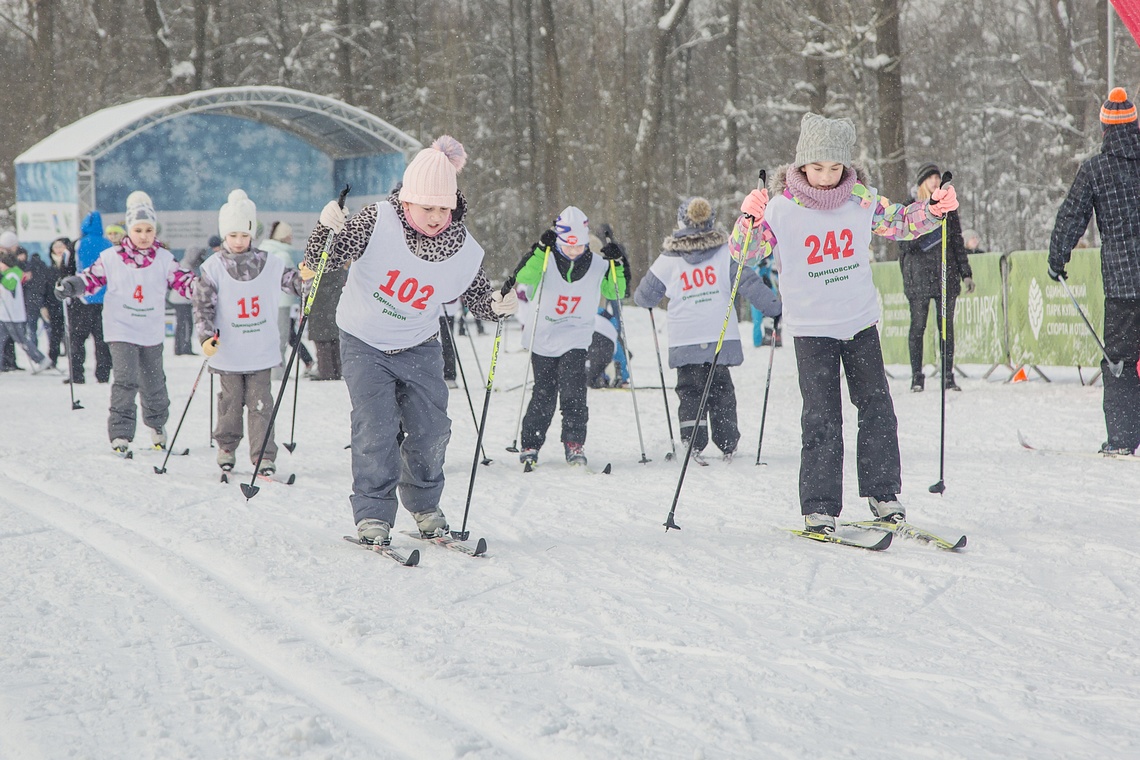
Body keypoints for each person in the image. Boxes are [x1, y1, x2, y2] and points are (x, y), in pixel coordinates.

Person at [730, 112, 957, 535]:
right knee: (822, 416)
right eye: (817, 168)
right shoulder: (781, 208)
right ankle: (819, 506)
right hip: (811, 328)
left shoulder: (862, 199)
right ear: (801, 165)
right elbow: (745, 253)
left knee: (876, 408)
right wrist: (747, 220)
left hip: (858, 321)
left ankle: (883, 493)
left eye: (835, 168)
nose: (827, 176)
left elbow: (902, 223)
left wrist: (934, 210)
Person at [302, 135, 517, 545]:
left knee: (431, 428)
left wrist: (498, 306)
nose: (436, 217)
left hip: (419, 342)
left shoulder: (462, 247)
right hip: (364, 339)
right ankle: (373, 514)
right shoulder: (375, 220)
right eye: (427, 207)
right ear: (406, 201)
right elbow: (320, 262)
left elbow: (478, 299)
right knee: (376, 427)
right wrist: (325, 229)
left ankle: (424, 505)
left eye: (444, 208)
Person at [635, 196, 781, 463]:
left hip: (685, 338)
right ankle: (727, 442)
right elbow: (749, 283)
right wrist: (774, 307)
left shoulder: (669, 259)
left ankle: (692, 442)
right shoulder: (727, 253)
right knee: (721, 388)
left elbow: (644, 297)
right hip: (719, 336)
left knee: (690, 390)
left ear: (681, 222)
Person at [56, 191, 196, 455]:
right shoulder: (111, 257)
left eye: (149, 230)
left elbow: (184, 281)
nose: (144, 235)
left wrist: (205, 289)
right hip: (120, 328)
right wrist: (71, 285)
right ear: (128, 231)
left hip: (151, 330)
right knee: (125, 379)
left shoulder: (164, 259)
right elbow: (89, 279)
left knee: (154, 381)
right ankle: (120, 433)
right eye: (138, 230)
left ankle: (157, 427)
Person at [1049, 87, 1140, 457]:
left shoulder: (1095, 169)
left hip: (1122, 284)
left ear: (1104, 128)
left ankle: (1121, 438)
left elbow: (1072, 215)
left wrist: (1058, 258)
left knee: (1119, 359)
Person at [195, 190, 309, 475]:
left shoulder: (269, 262)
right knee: (230, 404)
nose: (238, 241)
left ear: (251, 234)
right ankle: (226, 447)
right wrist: (206, 337)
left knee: (260, 404)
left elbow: (295, 285)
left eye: (243, 235)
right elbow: (203, 305)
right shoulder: (213, 267)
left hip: (260, 349)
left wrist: (307, 277)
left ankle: (263, 456)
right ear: (224, 235)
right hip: (229, 352)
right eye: (232, 235)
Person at [514, 206, 626, 468]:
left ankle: (574, 442)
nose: (574, 251)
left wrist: (617, 264)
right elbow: (523, 277)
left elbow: (615, 291)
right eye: (569, 246)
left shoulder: (598, 264)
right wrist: (540, 249)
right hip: (543, 336)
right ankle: (531, 442)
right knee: (544, 392)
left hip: (576, 336)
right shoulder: (545, 259)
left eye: (580, 246)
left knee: (574, 391)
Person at [897, 163, 975, 392]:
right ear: (921, 182)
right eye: (930, 178)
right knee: (918, 326)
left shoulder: (948, 208)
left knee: (946, 328)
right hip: (918, 278)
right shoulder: (908, 207)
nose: (935, 182)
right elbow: (902, 242)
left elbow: (957, 241)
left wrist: (966, 273)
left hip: (946, 276)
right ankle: (916, 377)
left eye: (937, 178)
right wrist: (924, 231)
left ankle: (948, 376)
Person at [260, 221, 315, 378]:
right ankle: (278, 373)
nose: (291, 239)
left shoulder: (264, 252)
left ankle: (272, 370)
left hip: (267, 301)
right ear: (283, 237)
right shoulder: (283, 255)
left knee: (277, 337)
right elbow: (294, 282)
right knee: (282, 338)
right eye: (289, 236)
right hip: (282, 302)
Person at [67, 211, 114, 384]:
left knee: (77, 339)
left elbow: (69, 269)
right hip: (104, 300)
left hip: (82, 297)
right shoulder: (108, 245)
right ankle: (103, 374)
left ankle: (77, 374)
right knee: (102, 339)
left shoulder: (78, 244)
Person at [0, 241, 53, 374]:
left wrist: (1, 278)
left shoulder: (13, 274)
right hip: (5, 315)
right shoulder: (11, 274)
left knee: (21, 339)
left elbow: (10, 286)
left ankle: (40, 359)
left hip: (13, 315)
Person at [43, 237, 76, 368]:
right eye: (56, 247)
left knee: (73, 333)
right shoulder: (49, 268)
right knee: (55, 333)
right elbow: (44, 288)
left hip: (70, 304)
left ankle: (74, 361)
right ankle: (52, 358)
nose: (58, 250)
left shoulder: (71, 265)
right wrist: (44, 306)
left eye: (61, 246)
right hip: (53, 304)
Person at [750, 254, 781, 348]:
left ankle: (774, 338)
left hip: (768, 289)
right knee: (757, 318)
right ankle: (757, 342)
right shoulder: (754, 256)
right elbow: (751, 270)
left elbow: (776, 270)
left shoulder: (771, 256)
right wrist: (760, 265)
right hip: (757, 291)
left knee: (773, 316)